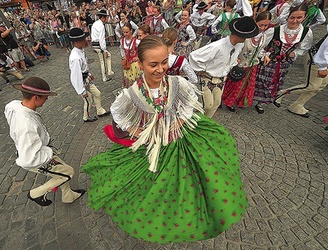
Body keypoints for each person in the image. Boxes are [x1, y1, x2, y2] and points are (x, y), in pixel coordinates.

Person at [82, 35, 247, 243]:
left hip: (181, 140)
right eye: (153, 64)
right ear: (140, 63)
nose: (160, 69)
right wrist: (140, 130)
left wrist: (178, 121)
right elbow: (119, 115)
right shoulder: (131, 94)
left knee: (198, 179)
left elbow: (189, 104)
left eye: (164, 62)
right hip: (153, 146)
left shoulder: (178, 83)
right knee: (152, 188)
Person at [4, 77, 85, 206]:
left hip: (37, 148)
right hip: (33, 156)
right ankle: (36, 193)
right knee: (68, 172)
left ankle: (68, 195)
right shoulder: (27, 124)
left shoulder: (13, 105)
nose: (46, 100)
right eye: (45, 98)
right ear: (36, 97)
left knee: (61, 169)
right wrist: (49, 155)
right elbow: (29, 159)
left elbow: (8, 110)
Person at [189, 16, 259, 117]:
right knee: (207, 105)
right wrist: (201, 70)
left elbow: (232, 57)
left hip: (221, 79)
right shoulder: (217, 46)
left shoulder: (239, 45)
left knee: (216, 104)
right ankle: (192, 122)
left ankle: (205, 126)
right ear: (241, 36)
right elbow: (194, 56)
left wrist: (232, 63)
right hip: (207, 78)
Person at [254, 4, 313, 114]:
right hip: (270, 61)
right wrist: (264, 54)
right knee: (263, 81)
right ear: (288, 16)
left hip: (285, 63)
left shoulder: (306, 32)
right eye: (292, 17)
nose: (295, 21)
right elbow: (260, 44)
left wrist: (295, 53)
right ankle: (258, 101)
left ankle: (265, 101)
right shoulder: (275, 30)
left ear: (304, 17)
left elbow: (304, 48)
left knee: (276, 82)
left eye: (299, 18)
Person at [222, 12, 272, 112]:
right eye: (260, 25)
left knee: (247, 85)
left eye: (266, 25)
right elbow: (236, 48)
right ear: (255, 23)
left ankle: (239, 101)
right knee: (235, 84)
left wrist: (264, 55)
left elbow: (260, 50)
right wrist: (235, 58)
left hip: (252, 65)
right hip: (240, 64)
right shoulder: (246, 36)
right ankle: (228, 101)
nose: (263, 28)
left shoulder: (264, 37)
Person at [274, 25, 328, 118]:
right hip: (317, 58)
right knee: (311, 85)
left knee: (321, 85)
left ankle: (297, 105)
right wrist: (322, 66)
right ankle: (280, 94)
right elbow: (325, 48)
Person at [68, 28, 111, 122]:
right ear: (77, 42)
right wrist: (82, 91)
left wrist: (89, 74)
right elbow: (75, 76)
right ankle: (86, 117)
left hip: (86, 79)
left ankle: (99, 110)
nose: (85, 41)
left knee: (97, 93)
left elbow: (84, 66)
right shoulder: (75, 57)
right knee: (88, 100)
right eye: (83, 39)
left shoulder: (81, 50)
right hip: (81, 81)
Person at [91, 10, 115, 82]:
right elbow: (101, 39)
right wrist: (104, 50)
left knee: (105, 58)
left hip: (94, 43)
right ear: (103, 18)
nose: (106, 19)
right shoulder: (101, 26)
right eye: (106, 18)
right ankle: (105, 76)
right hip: (99, 45)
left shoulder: (95, 23)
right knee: (103, 61)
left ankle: (109, 72)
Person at [120, 23, 141, 88]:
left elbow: (143, 50)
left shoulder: (137, 41)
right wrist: (123, 57)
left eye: (127, 32)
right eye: (124, 32)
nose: (125, 34)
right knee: (127, 81)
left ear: (131, 31)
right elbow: (121, 49)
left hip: (135, 65)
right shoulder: (122, 41)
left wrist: (138, 57)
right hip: (126, 64)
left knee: (135, 82)